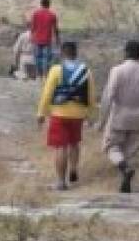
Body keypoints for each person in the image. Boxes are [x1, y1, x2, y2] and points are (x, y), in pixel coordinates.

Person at [98, 39, 139, 193]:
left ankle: (124, 168)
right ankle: (125, 183)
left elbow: (109, 96)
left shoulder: (117, 71)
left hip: (119, 116)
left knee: (111, 147)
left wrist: (102, 120)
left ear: (125, 53)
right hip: (138, 119)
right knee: (131, 151)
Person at [37, 40, 96, 191]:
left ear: (62, 53)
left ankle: (61, 182)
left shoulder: (56, 70)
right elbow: (91, 95)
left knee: (60, 147)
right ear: (75, 53)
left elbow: (47, 93)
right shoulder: (85, 70)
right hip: (78, 115)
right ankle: (73, 168)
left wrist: (41, 113)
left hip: (59, 113)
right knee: (74, 143)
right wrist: (91, 114)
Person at [29, 0, 60, 79]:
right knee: (47, 58)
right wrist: (57, 39)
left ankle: (39, 75)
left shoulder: (35, 14)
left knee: (38, 57)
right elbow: (55, 29)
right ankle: (46, 76)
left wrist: (31, 37)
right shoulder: (52, 15)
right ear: (49, 4)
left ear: (41, 4)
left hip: (37, 39)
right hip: (47, 40)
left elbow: (33, 27)